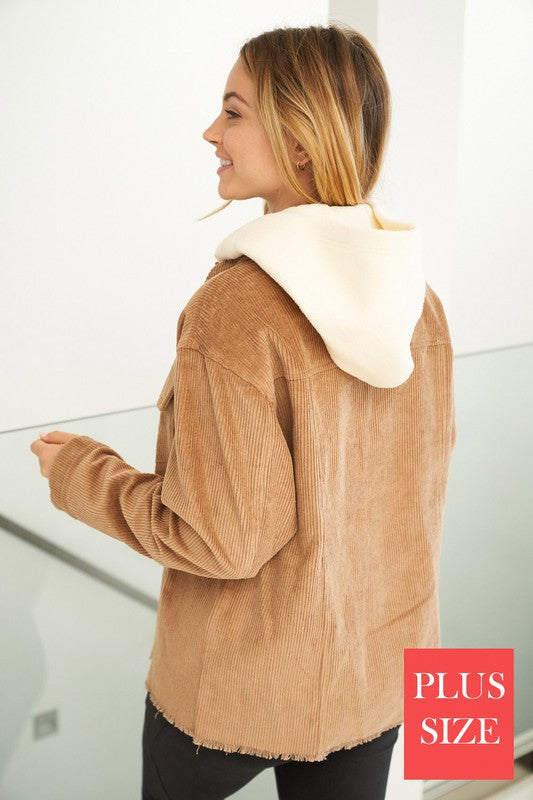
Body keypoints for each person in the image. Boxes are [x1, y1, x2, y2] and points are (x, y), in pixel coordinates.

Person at [32, 23, 456, 800]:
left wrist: (78, 473)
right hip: (383, 668)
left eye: (232, 112)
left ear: (299, 140)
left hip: (237, 690)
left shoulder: (235, 309)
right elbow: (419, 495)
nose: (210, 133)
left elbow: (220, 538)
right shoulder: (417, 299)